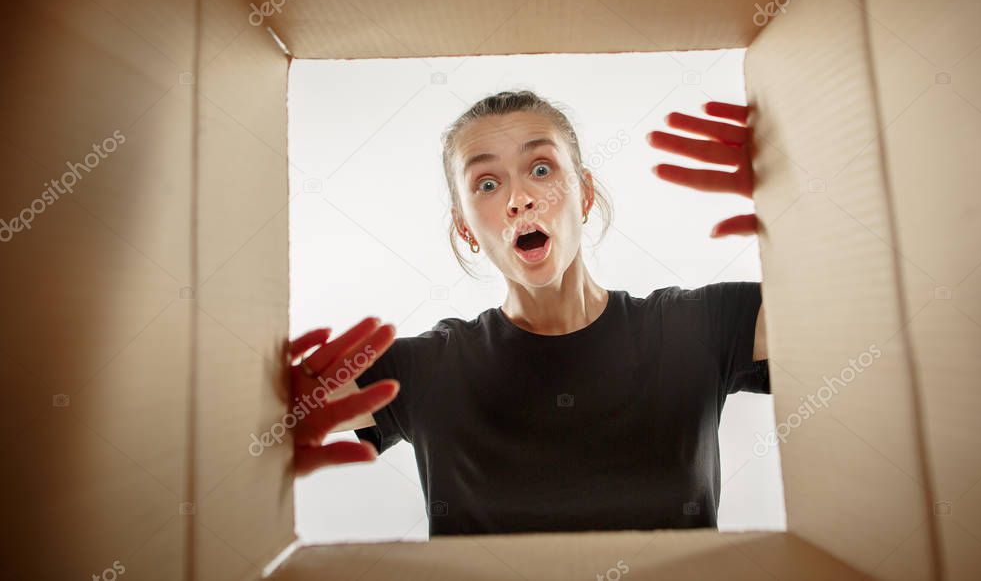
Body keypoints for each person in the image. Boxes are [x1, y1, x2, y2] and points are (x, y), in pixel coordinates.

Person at [286, 90, 768, 536]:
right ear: (465, 227)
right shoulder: (423, 371)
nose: (520, 200)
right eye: (488, 183)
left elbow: (837, 315)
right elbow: (247, 423)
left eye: (541, 169)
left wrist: (799, 195)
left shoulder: (698, 329)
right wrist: (271, 418)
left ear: (585, 194)